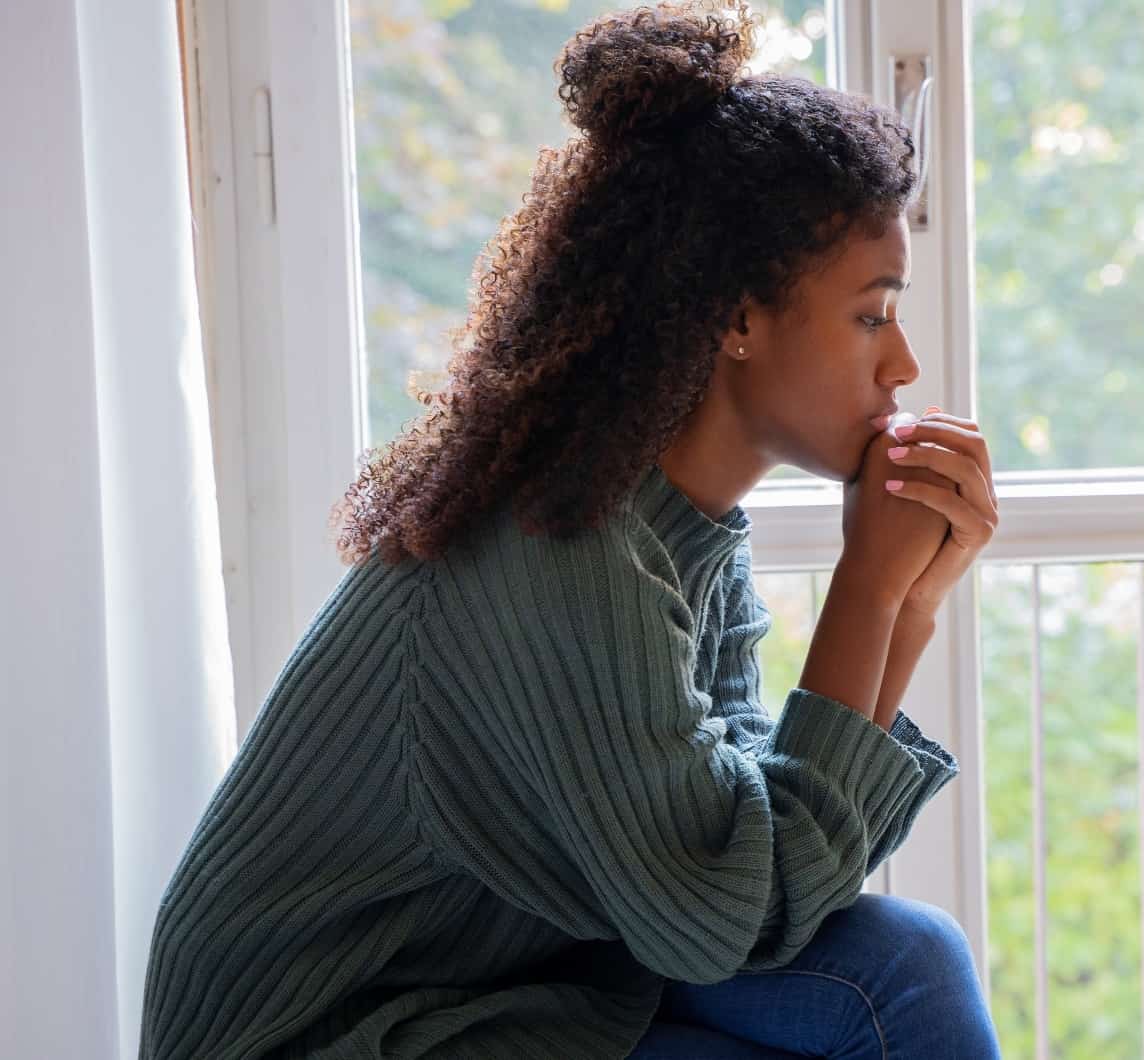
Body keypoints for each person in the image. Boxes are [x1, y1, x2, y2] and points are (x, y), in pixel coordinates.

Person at [138, 1, 1002, 1056]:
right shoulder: (569, 548)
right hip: (350, 1033)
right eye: (872, 312)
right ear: (736, 316)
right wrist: (868, 592)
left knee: (903, 965)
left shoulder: (676, 531)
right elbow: (718, 920)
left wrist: (907, 604)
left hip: (514, 987)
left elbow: (757, 875)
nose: (901, 362)